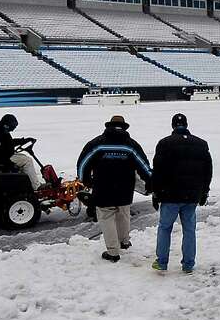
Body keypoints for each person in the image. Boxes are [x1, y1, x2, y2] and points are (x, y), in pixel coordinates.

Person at [77, 114, 152, 263]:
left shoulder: (96, 144)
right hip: (125, 188)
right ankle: (124, 242)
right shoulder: (131, 145)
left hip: (103, 188)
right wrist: (151, 182)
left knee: (106, 216)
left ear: (108, 126)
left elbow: (83, 163)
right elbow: (144, 166)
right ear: (124, 127)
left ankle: (113, 252)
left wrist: (86, 181)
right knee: (123, 213)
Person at [150, 113, 212, 274]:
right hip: (191, 195)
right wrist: (204, 191)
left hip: (169, 195)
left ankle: (162, 262)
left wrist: (155, 193)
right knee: (189, 229)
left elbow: (157, 171)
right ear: (186, 124)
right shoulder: (201, 144)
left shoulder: (164, 144)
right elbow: (208, 170)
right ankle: (188, 264)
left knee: (165, 228)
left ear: (172, 126)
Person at [0, 113, 44, 190]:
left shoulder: (0, 130)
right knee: (27, 161)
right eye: (11, 128)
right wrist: (11, 165)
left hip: (0, 156)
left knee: (23, 157)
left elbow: (9, 143)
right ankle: (36, 187)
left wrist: (23, 141)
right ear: (6, 125)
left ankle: (30, 183)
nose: (12, 130)